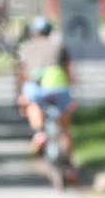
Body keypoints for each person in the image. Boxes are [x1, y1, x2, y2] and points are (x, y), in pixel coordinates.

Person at [16, 16, 77, 179]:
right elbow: (69, 70)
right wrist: (70, 88)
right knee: (65, 130)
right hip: (60, 88)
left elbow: (22, 73)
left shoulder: (25, 47)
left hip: (38, 89)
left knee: (32, 104)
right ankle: (70, 167)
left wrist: (22, 97)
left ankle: (39, 133)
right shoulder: (60, 46)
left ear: (33, 33)